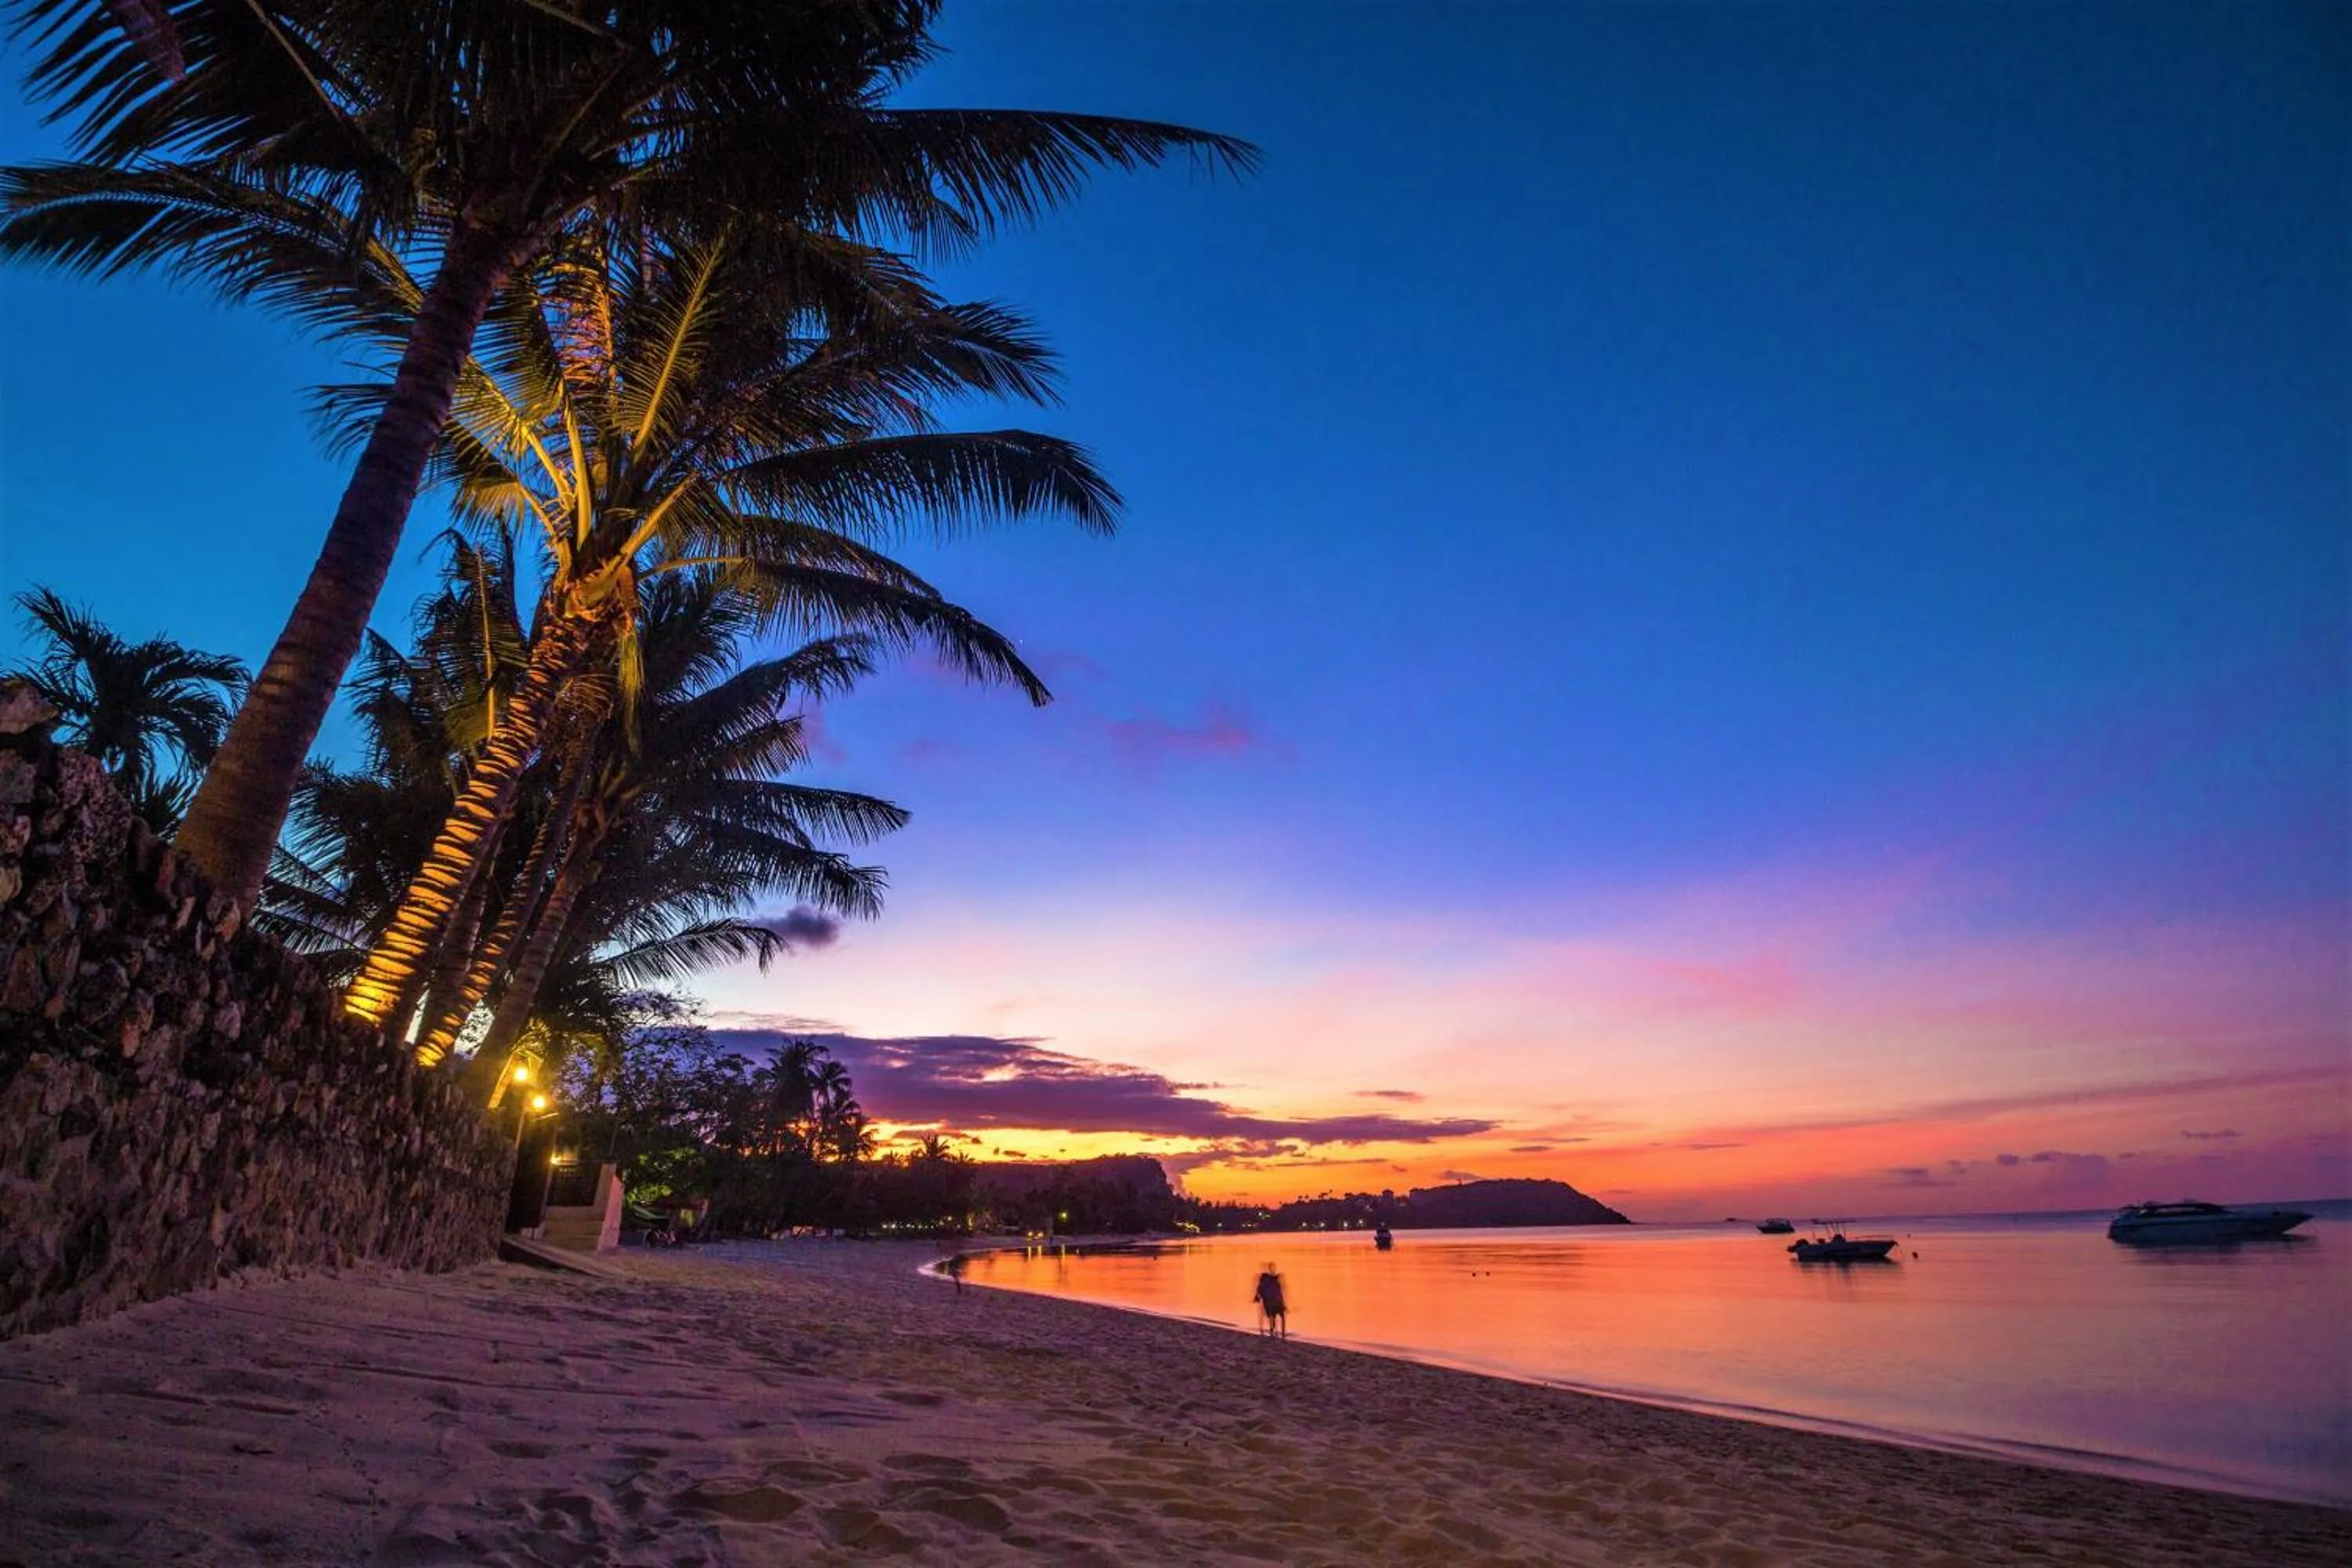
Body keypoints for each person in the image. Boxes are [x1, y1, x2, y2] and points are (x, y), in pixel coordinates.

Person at [1252, 1264, 1288, 1338]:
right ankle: (1282, 1333)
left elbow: (1260, 1292)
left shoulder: (1265, 1282)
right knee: (1280, 1317)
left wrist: (1257, 1297)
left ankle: (1273, 1332)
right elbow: (1280, 1292)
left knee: (1273, 1317)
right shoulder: (1273, 1280)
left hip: (1273, 1302)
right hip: (1276, 1302)